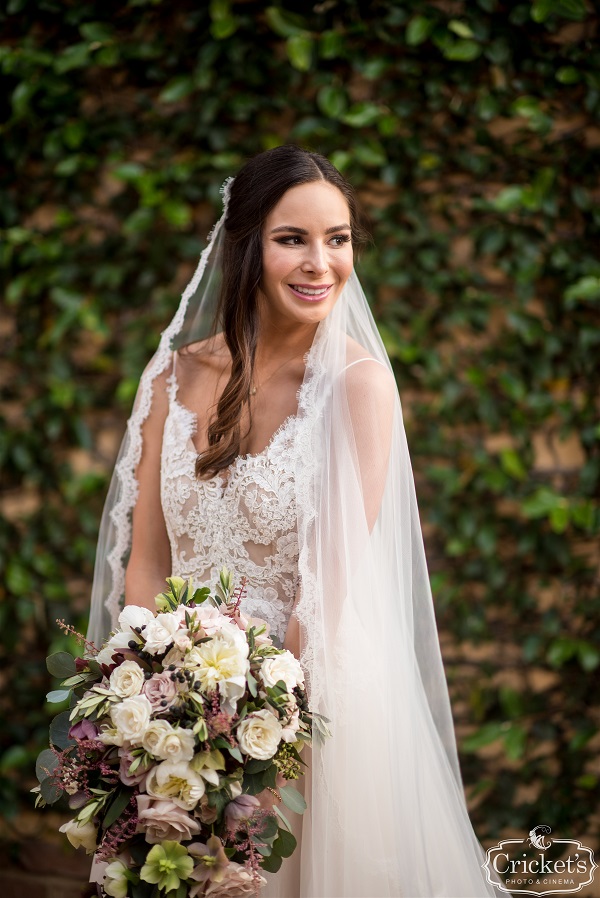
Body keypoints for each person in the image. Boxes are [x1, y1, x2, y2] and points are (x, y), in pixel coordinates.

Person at [88, 145, 505, 897]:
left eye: (338, 239)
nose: (321, 264)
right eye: (294, 239)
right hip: (175, 711)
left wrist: (260, 771)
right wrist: (142, 717)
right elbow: (146, 565)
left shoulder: (358, 387)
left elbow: (323, 593)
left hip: (308, 717)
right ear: (245, 245)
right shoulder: (173, 376)